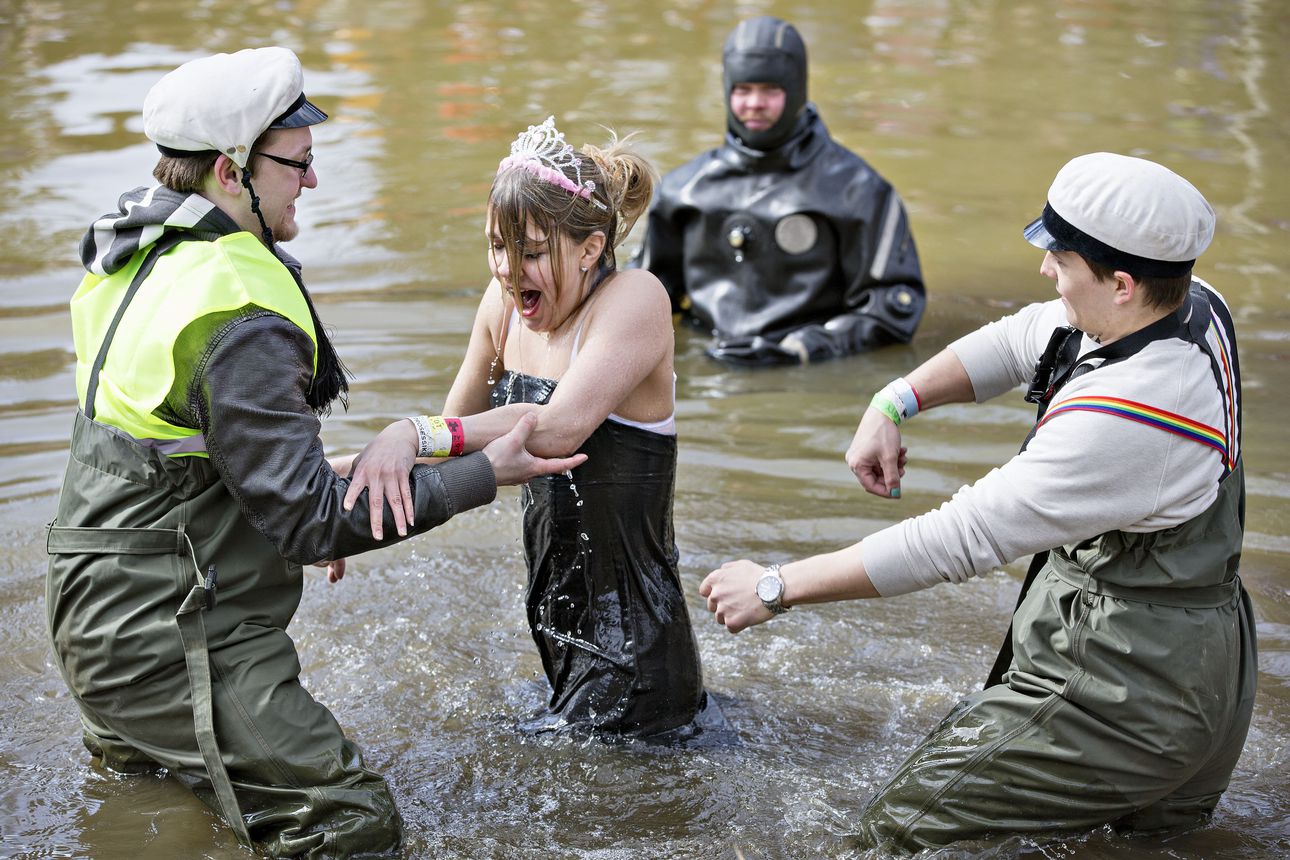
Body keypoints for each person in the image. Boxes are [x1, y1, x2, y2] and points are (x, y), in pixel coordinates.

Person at [45, 48, 581, 858]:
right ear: (232, 172)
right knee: (351, 819)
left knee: (154, 808)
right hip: (174, 642)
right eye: (297, 164)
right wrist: (483, 472)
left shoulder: (141, 257)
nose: (314, 182)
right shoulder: (240, 312)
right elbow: (312, 529)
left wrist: (307, 470)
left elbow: (168, 449)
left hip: (95, 617)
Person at [700, 152, 1255, 849]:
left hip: (1124, 693)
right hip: (1208, 672)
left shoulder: (1127, 416)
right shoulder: (1192, 304)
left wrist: (776, 586)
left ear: (1119, 283)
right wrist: (894, 401)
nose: (1045, 270)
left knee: (898, 833)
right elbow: (1023, 336)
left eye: (1061, 259)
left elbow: (956, 539)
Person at [347, 117, 707, 738]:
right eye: (496, 247)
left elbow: (555, 429)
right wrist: (344, 494)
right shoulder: (502, 306)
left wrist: (412, 430)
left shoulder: (634, 299)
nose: (509, 272)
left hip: (637, 653)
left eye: (532, 253)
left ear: (591, 248)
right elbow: (442, 443)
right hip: (558, 637)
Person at [631, 15, 926, 366]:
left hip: (809, 373)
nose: (755, 103)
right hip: (707, 365)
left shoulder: (859, 192)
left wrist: (800, 350)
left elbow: (892, 311)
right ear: (727, 91)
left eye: (770, 90)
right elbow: (641, 298)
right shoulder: (684, 191)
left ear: (797, 90)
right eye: (743, 90)